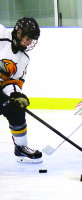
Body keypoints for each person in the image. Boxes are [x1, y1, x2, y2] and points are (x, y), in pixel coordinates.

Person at [0, 17, 42, 163]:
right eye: (27, 38)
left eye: (31, 40)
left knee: (16, 109)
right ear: (18, 33)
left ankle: (21, 148)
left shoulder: (23, 58)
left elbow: (13, 81)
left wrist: (14, 95)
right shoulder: (1, 34)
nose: (29, 43)